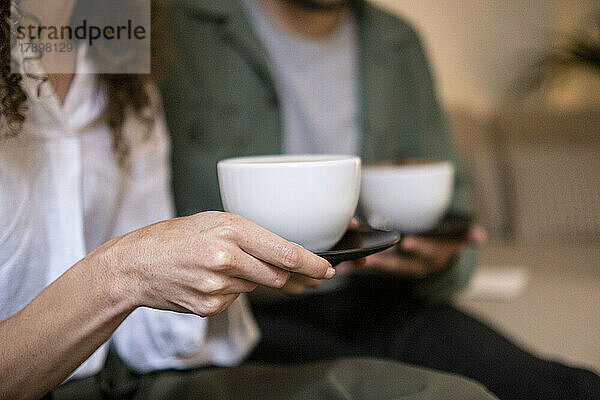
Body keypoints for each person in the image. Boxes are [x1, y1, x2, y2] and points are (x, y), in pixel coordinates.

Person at [0, 1, 498, 399]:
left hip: (148, 368)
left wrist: (231, 269)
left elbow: (148, 327)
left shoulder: (121, 42)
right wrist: (126, 271)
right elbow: (138, 265)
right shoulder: (188, 28)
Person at [159, 0, 600, 399]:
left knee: (561, 387)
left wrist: (440, 261)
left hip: (377, 296)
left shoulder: (398, 44)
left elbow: (452, 216)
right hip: (237, 317)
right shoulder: (168, 25)